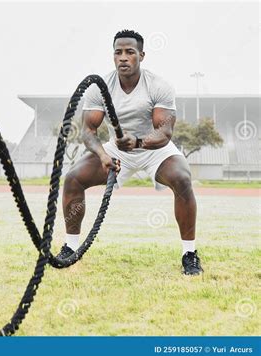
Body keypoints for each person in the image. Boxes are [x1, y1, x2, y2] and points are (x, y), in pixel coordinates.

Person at [57, 29, 203, 275]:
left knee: (182, 179)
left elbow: (165, 132)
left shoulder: (159, 85)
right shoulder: (100, 87)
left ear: (141, 56)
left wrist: (136, 142)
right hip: (117, 148)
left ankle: (189, 253)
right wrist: (103, 156)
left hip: (154, 148)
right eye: (118, 52)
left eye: (129, 52)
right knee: (73, 179)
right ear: (113, 56)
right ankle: (70, 248)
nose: (123, 58)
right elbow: (88, 131)